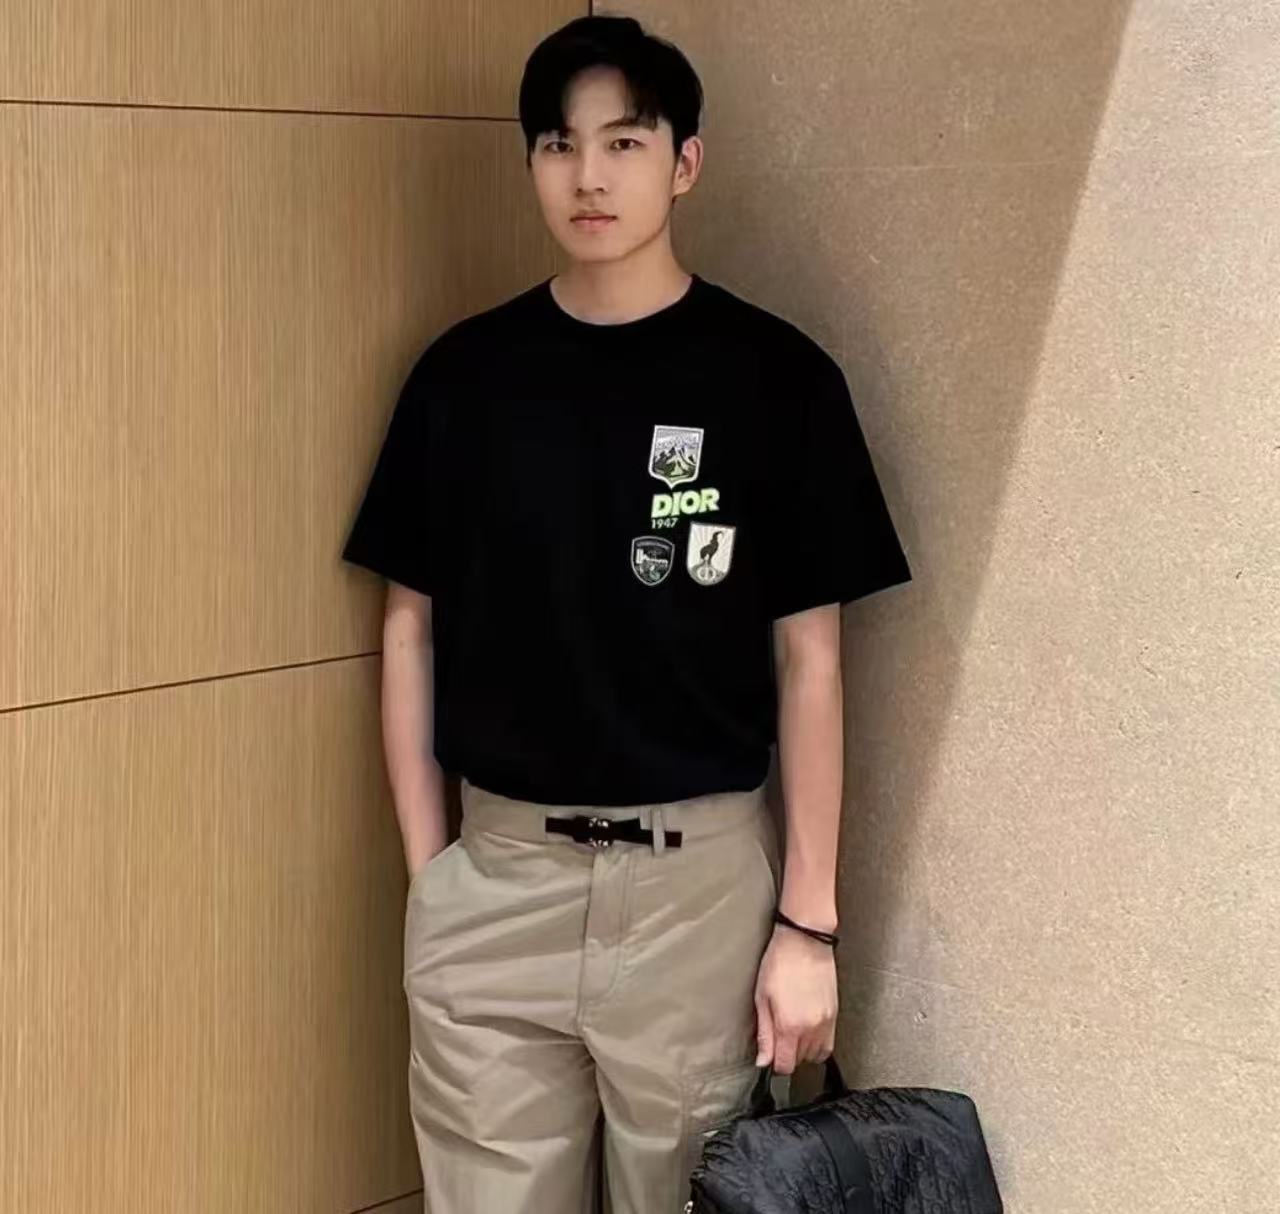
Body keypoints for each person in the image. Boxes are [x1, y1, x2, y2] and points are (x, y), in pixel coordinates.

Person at [340, 14, 912, 1213]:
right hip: (494, 880)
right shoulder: (462, 379)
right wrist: (432, 876)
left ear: (684, 162)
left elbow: (810, 662)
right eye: (558, 144)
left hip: (698, 894)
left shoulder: (777, 380)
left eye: (623, 141)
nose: (587, 176)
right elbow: (409, 629)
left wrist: (807, 922)